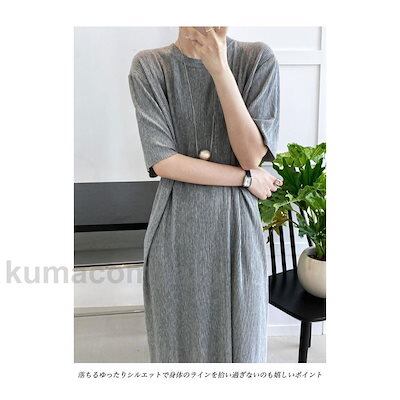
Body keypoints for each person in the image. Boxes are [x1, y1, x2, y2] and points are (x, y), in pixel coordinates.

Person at [128, 26, 281, 363]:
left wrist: (220, 68)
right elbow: (164, 161)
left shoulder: (257, 60)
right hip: (176, 230)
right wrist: (245, 179)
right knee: (178, 351)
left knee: (243, 351)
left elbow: (250, 156)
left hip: (236, 230)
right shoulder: (150, 66)